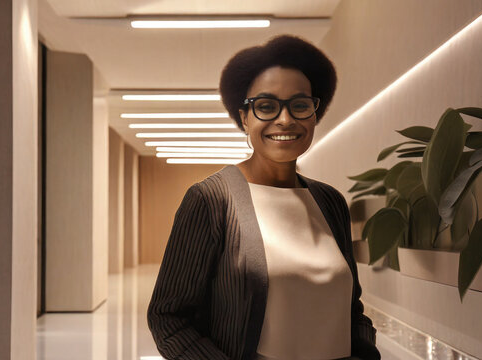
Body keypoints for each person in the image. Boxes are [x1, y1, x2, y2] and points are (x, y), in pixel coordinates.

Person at [147, 35, 380, 360]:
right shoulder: (212, 200)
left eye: (300, 105)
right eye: (266, 106)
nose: (285, 120)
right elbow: (168, 318)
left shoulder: (330, 202)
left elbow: (351, 307)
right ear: (244, 117)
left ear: (315, 114)